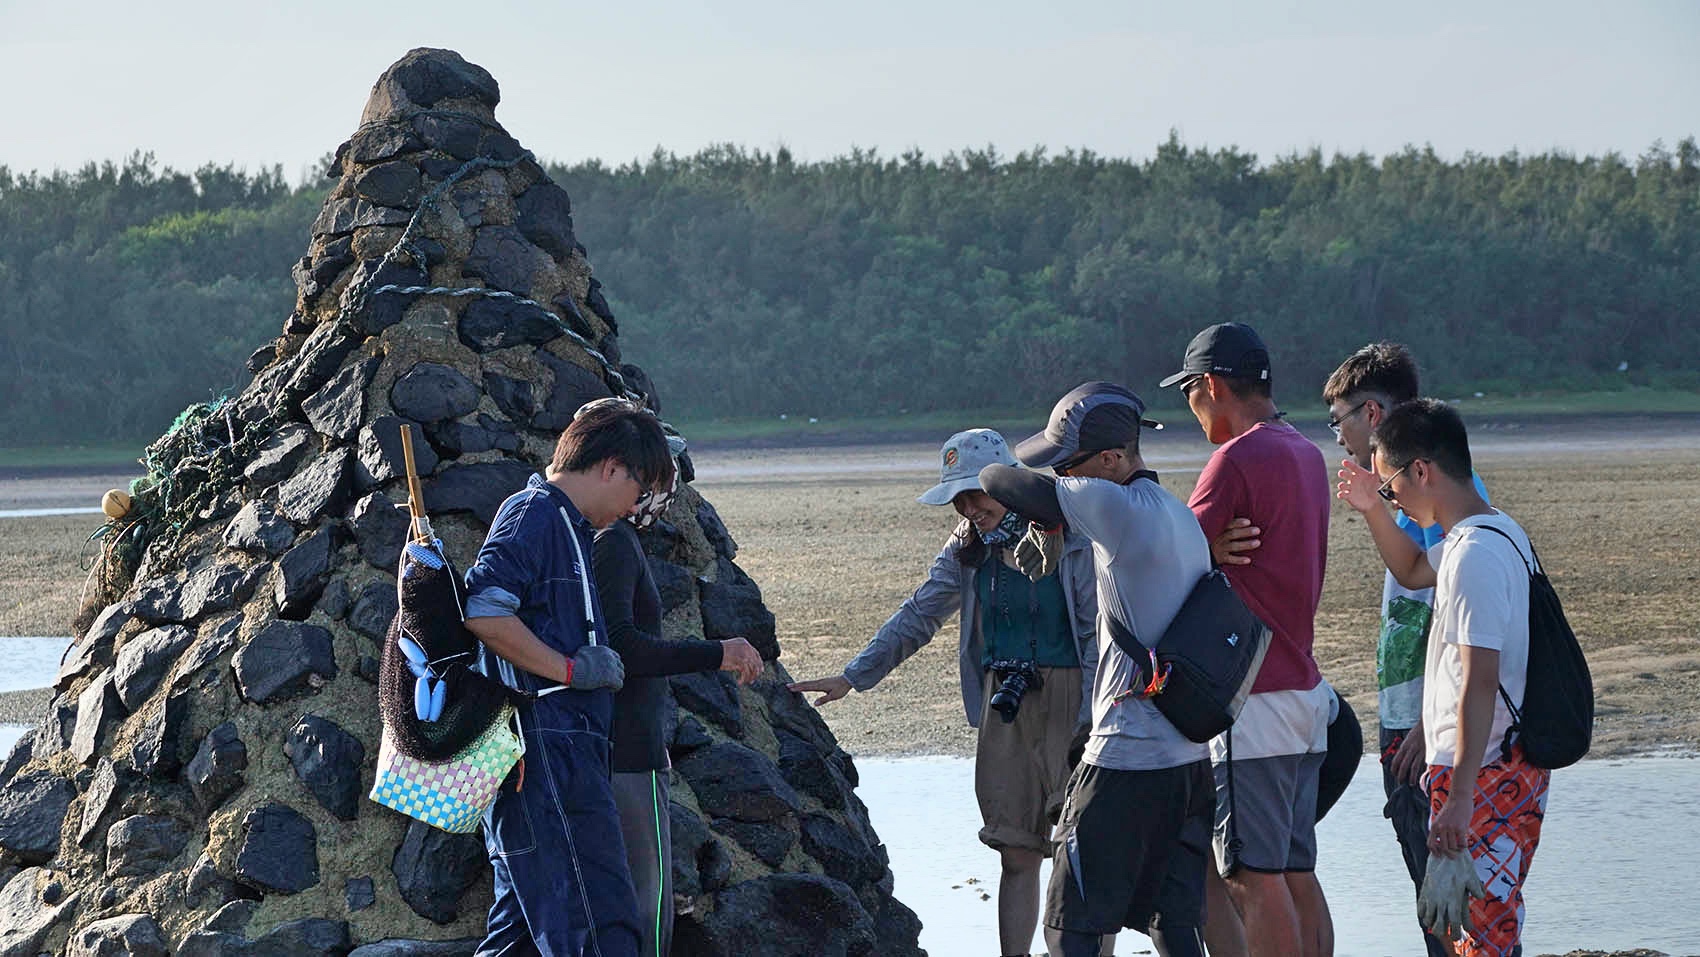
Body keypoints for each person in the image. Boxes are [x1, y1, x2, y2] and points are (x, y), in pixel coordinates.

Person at [788, 429, 1100, 957]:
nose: (968, 509)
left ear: (1007, 482)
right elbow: (920, 613)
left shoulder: (1069, 531)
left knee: (1081, 851)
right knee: (1015, 851)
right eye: (958, 499)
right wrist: (853, 676)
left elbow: (1095, 633)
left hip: (1074, 697)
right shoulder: (967, 544)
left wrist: (1092, 717)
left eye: (975, 494)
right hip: (1004, 701)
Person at [977, 382, 1215, 957]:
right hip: (1188, 762)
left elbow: (997, 479)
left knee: (1069, 925)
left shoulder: (1115, 506)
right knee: (1173, 923)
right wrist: (1056, 521)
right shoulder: (1178, 515)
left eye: (1068, 465)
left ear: (1112, 459)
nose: (1061, 475)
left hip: (1126, 757)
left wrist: (1051, 510)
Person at [1336, 398, 1546, 957]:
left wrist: (1458, 798)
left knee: (1484, 934)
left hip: (1487, 773)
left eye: (1391, 489)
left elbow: (1480, 681)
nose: (1394, 501)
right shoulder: (1488, 535)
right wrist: (1372, 508)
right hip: (1492, 767)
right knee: (1477, 929)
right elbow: (1410, 569)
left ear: (1422, 471)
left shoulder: (1474, 555)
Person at [463, 400, 674, 957]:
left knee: (517, 938)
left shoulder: (568, 526)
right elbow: (484, 611)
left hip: (557, 755)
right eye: (639, 490)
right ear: (611, 467)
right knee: (599, 925)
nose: (635, 507)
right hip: (546, 756)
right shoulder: (534, 514)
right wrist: (573, 670)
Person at [1158, 323, 1333, 957]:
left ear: (1210, 385)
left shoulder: (1234, 459)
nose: (1190, 407)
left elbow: (1163, 561)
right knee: (1294, 869)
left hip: (1251, 698)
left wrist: (1204, 548)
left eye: (1189, 393)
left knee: (1250, 877)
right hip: (1305, 691)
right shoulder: (1306, 452)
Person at [1321, 342, 1489, 957]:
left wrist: (1426, 722)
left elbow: (1463, 625)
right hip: (1412, 716)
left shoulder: (1436, 491)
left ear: (1371, 413)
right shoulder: (1407, 492)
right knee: (1433, 891)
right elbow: (1416, 574)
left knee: (1449, 899)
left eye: (1338, 420)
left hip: (1429, 725)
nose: (1338, 437)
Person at [585, 409, 764, 957]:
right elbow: (623, 646)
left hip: (616, 745)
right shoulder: (615, 542)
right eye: (660, 477)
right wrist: (718, 652)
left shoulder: (609, 539)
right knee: (649, 897)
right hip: (628, 751)